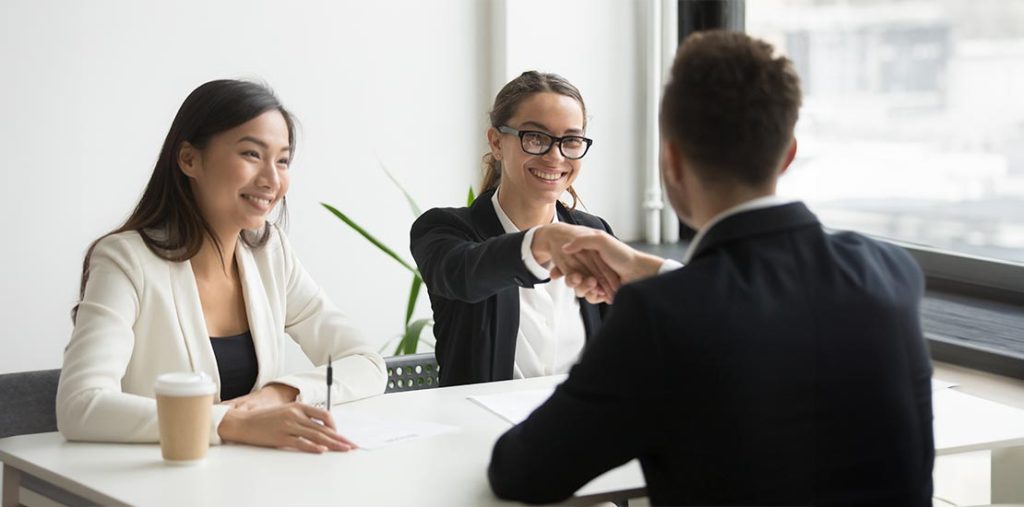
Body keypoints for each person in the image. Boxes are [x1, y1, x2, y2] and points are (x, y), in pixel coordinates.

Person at [488, 31, 934, 506]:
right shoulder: (891, 272)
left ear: (672, 160)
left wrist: (660, 288)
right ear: (787, 154)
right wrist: (654, 272)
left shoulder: (660, 318)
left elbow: (523, 472)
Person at [57, 79, 387, 454]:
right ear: (189, 159)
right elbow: (80, 405)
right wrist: (233, 423)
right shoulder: (125, 260)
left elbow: (365, 363)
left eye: (282, 160)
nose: (272, 179)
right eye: (251, 154)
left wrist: (281, 393)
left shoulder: (271, 253)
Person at [410, 71, 673, 387]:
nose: (555, 156)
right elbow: (463, 274)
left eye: (571, 141)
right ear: (496, 142)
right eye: (535, 138)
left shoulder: (594, 231)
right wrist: (542, 241)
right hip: (481, 432)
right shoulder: (445, 229)